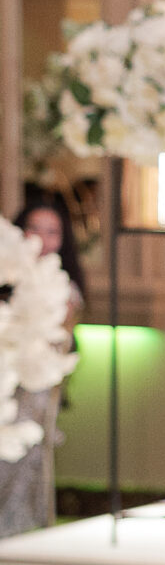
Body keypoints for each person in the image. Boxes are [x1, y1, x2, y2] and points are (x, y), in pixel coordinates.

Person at [0, 187, 84, 538]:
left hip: (36, 381)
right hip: (6, 377)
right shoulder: (8, 276)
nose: (44, 239)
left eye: (53, 231)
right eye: (36, 229)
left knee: (30, 454)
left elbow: (60, 341)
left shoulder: (63, 287)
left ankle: (24, 530)